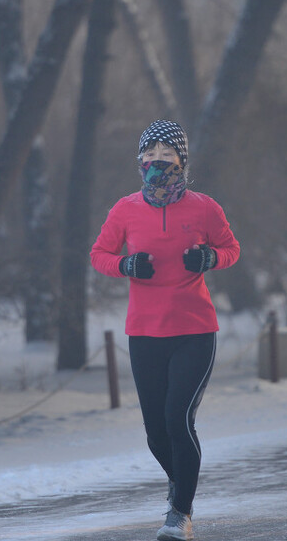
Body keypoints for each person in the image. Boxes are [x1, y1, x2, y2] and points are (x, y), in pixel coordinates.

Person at [90, 120, 240, 541]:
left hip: (195, 331)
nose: (157, 158)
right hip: (144, 334)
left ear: (182, 159)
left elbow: (232, 249)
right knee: (156, 429)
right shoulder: (124, 210)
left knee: (178, 419)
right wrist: (125, 265)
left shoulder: (205, 208)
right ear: (140, 160)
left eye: (166, 151)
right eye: (150, 151)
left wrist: (209, 258)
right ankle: (181, 482)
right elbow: (99, 254)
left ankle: (180, 513)